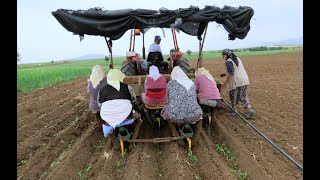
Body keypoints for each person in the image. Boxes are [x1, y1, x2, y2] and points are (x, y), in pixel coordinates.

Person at [97, 69, 140, 137]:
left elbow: (100, 105)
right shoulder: (127, 87)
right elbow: (134, 100)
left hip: (107, 119)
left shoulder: (102, 90)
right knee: (137, 113)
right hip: (127, 116)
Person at [221, 49, 255, 118]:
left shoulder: (228, 61)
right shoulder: (237, 59)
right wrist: (225, 74)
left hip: (237, 82)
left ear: (226, 55)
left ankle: (235, 111)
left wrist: (225, 83)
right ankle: (249, 109)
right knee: (243, 96)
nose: (223, 56)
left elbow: (231, 73)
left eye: (223, 55)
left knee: (234, 96)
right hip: (244, 80)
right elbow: (236, 69)